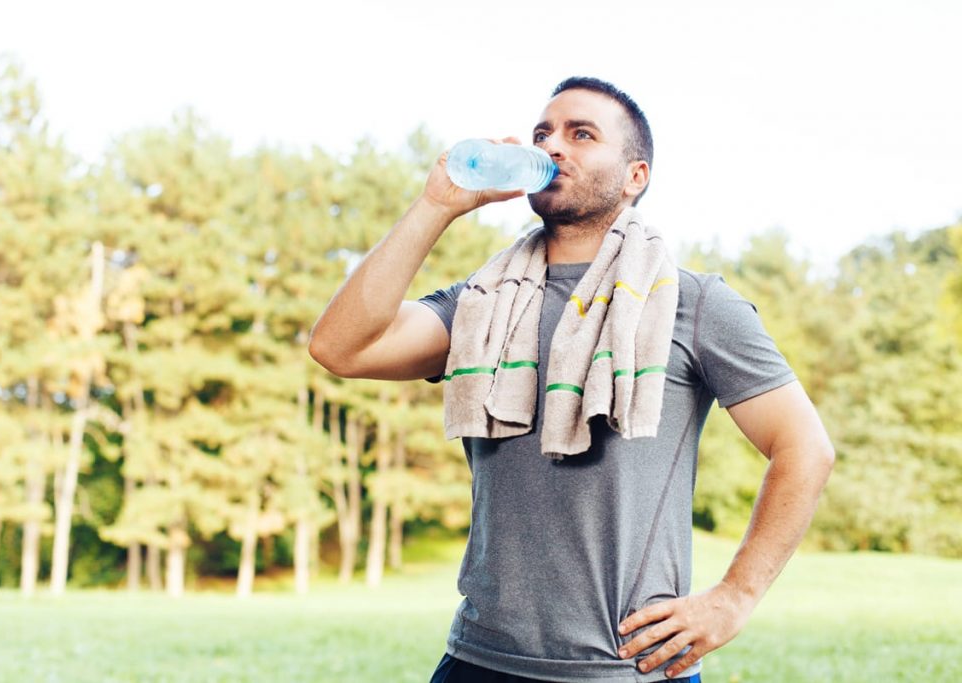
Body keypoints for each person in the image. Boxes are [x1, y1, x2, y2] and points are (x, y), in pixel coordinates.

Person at [308, 76, 835, 683]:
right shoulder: (481, 304)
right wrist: (437, 204)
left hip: (627, 669)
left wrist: (734, 597)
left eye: (581, 133)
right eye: (543, 133)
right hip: (478, 661)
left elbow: (804, 448)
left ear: (635, 176)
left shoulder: (694, 303)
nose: (554, 145)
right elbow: (341, 347)